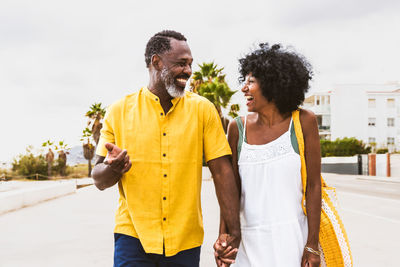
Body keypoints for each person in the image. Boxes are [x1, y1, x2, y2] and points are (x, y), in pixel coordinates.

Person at [91, 30, 241, 267]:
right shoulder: (118, 111)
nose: (189, 72)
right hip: (133, 236)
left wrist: (233, 231)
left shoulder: (203, 110)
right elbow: (98, 178)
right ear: (156, 61)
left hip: (185, 239)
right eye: (181, 64)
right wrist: (114, 168)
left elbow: (222, 172)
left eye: (190, 64)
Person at [214, 43, 321, 267]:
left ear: (273, 84)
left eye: (251, 82)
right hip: (249, 245)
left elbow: (313, 186)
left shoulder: (304, 122)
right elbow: (229, 191)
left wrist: (312, 244)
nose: (243, 88)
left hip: (293, 240)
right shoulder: (237, 128)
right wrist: (224, 238)